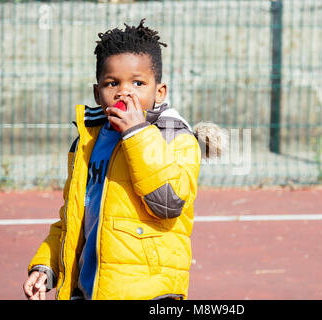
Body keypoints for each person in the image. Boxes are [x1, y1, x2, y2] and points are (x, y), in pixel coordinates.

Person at [23, 19, 216, 300]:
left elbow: (168, 203)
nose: (125, 92)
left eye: (138, 83)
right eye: (112, 83)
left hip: (149, 292)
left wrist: (136, 133)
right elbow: (73, 218)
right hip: (90, 290)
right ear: (97, 92)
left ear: (159, 91)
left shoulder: (175, 138)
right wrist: (46, 266)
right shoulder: (87, 142)